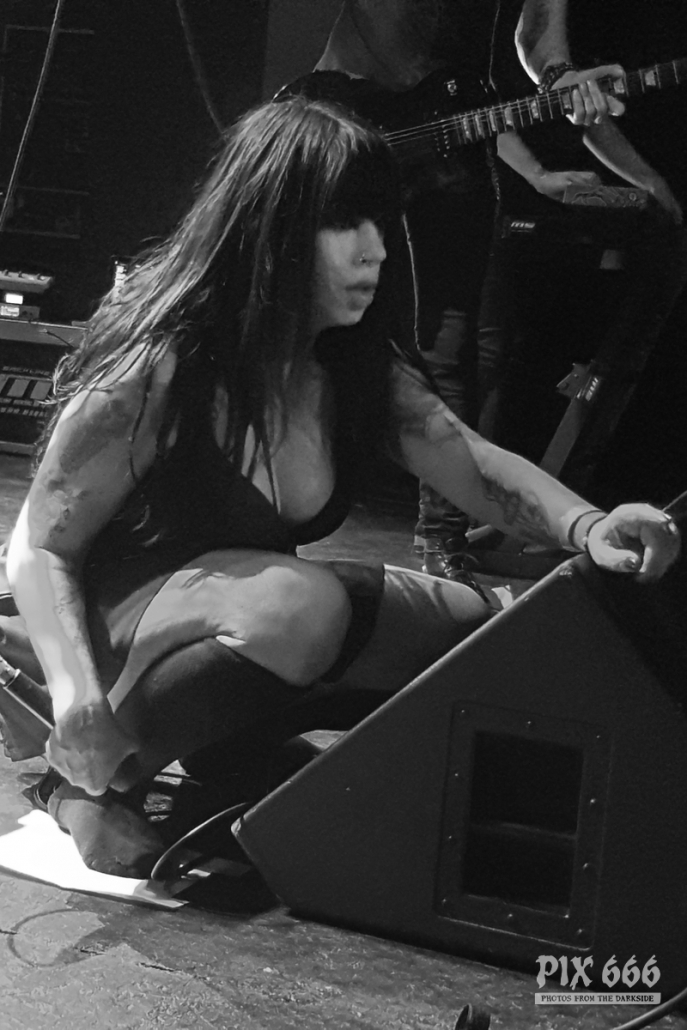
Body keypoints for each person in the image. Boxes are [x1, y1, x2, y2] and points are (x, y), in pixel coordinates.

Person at [3, 97, 680, 878]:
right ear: (270, 226)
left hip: (238, 613)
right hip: (106, 628)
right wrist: (77, 698)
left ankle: (231, 744)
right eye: (344, 223)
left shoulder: (350, 367)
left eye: (380, 223)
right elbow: (41, 547)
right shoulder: (155, 371)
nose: (375, 251)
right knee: (297, 608)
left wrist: (589, 527)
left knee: (494, 632)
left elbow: (470, 462)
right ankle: (85, 780)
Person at [308, 0, 628, 580]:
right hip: (347, 118)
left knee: (451, 344)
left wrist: (560, 82)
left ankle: (441, 536)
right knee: (310, 317)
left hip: (452, 137)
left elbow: (538, 38)